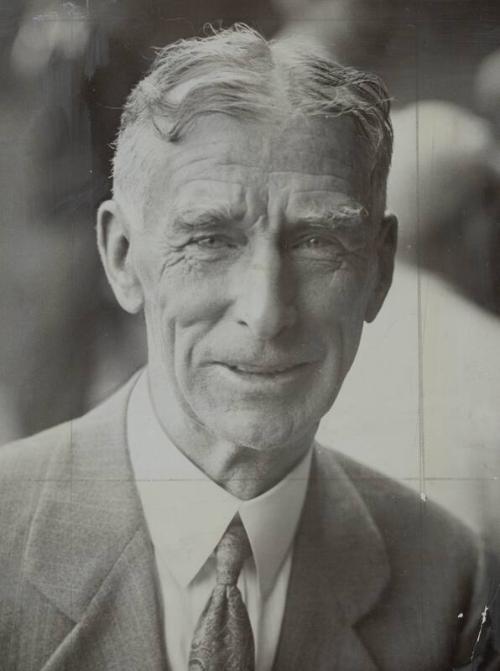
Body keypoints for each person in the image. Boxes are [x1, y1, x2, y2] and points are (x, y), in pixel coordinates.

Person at [0, 25, 496, 671]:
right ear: (122, 257)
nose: (266, 311)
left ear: (379, 272)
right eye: (209, 239)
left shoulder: (450, 580)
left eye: (318, 242)